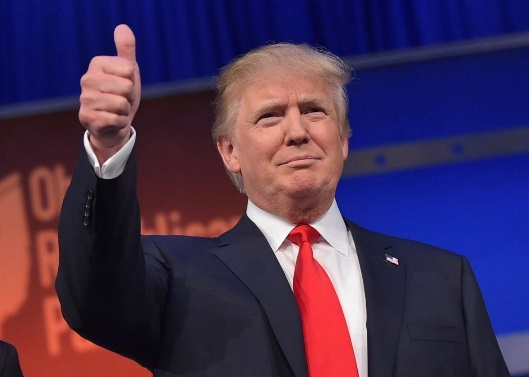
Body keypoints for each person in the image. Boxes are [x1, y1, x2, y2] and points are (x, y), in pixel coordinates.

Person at [56, 24, 510, 377]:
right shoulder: (177, 278)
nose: (298, 132)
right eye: (270, 117)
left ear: (344, 139)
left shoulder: (444, 278)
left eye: (314, 110)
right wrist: (108, 146)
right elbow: (95, 297)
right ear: (229, 152)